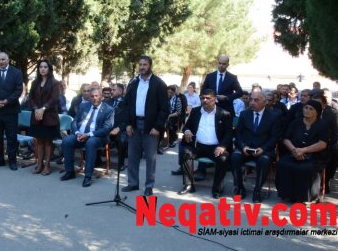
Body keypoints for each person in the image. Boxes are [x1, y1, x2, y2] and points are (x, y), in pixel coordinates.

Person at [120, 55, 169, 197]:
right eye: (140, 64)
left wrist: (158, 127)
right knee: (132, 156)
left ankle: (149, 186)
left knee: (150, 158)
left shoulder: (159, 84)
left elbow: (164, 109)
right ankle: (133, 183)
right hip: (134, 124)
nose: (142, 67)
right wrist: (128, 124)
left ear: (150, 66)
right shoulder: (134, 83)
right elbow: (127, 105)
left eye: (145, 64)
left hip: (151, 126)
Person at [177, 89, 232, 199]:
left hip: (216, 148)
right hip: (198, 146)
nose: (205, 100)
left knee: (223, 158)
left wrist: (222, 146)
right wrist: (187, 131)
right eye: (202, 98)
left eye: (208, 98)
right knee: (185, 152)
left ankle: (217, 188)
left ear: (214, 99)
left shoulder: (224, 114)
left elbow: (229, 133)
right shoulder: (196, 111)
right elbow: (187, 126)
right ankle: (188, 185)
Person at [231, 90, 281, 202]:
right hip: (246, 148)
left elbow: (275, 137)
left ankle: (257, 190)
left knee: (264, 160)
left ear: (265, 102)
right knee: (235, 157)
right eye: (251, 99)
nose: (252, 102)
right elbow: (238, 134)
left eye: (256, 100)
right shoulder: (244, 114)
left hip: (263, 149)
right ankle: (239, 187)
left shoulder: (274, 116)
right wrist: (243, 146)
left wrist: (263, 149)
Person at [275, 100, 328, 203]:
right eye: (306, 108)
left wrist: (303, 150)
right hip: (293, 153)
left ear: (317, 112)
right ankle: (287, 194)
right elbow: (286, 139)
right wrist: (295, 151)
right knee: (283, 164)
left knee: (305, 168)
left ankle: (306, 197)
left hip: (314, 156)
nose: (307, 110)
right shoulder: (296, 122)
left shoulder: (322, 125)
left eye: (311, 109)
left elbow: (322, 144)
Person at [60, 87, 114, 187]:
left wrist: (88, 135)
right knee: (67, 141)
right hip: (80, 134)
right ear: (89, 97)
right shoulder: (83, 106)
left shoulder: (108, 109)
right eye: (92, 96)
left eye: (96, 96)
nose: (94, 98)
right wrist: (77, 132)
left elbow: (106, 129)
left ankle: (88, 176)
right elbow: (75, 121)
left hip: (97, 136)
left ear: (101, 97)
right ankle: (70, 172)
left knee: (90, 142)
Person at [0, 51, 23, 171]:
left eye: (3, 59)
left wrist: (7, 101)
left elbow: (18, 90)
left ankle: (12, 161)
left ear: (8, 59)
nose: (1, 62)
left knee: (11, 137)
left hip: (10, 110)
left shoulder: (16, 72)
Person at [26, 60, 61, 175]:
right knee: (39, 141)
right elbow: (31, 97)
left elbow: (54, 98)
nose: (42, 69)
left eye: (45, 67)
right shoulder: (35, 82)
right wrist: (36, 108)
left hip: (49, 116)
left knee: (48, 142)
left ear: (49, 69)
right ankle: (39, 165)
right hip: (37, 115)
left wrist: (43, 108)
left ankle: (47, 166)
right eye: (40, 67)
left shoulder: (55, 83)